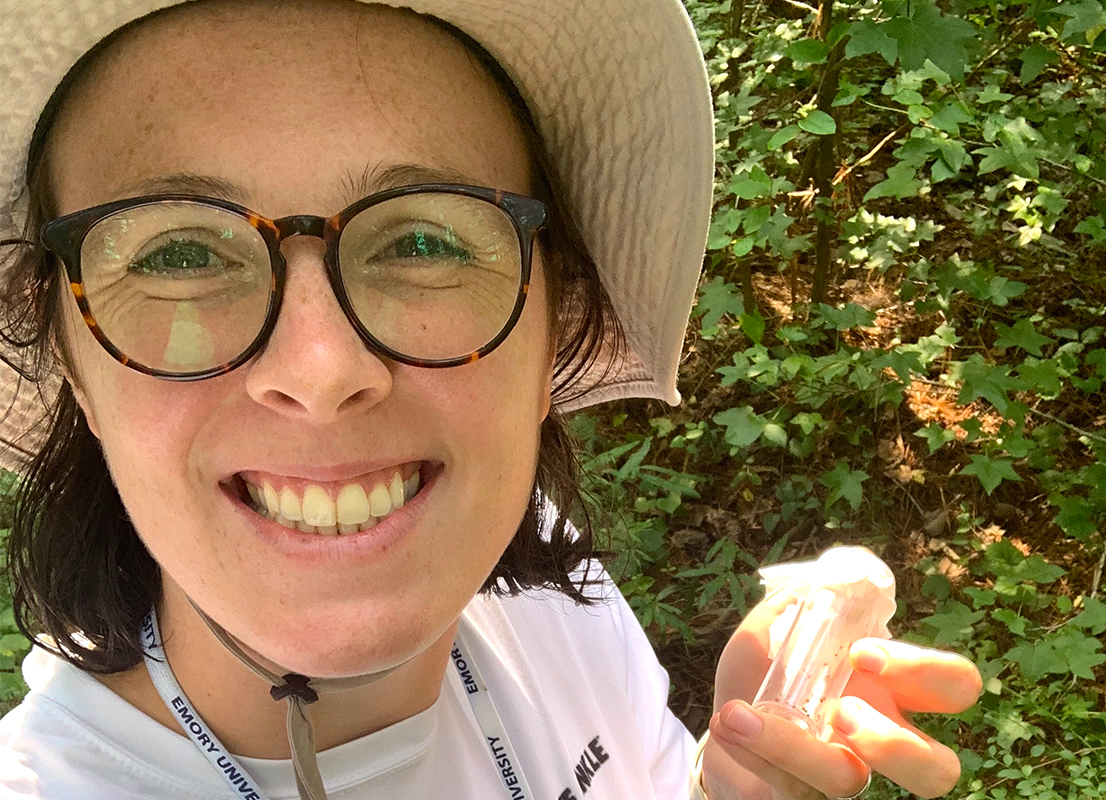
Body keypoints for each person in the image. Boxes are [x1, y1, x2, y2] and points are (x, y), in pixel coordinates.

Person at [0, 1, 983, 798]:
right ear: (72, 362)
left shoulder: (542, 597)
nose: (322, 363)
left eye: (422, 240)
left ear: (558, 318)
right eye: (178, 253)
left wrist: (728, 784)